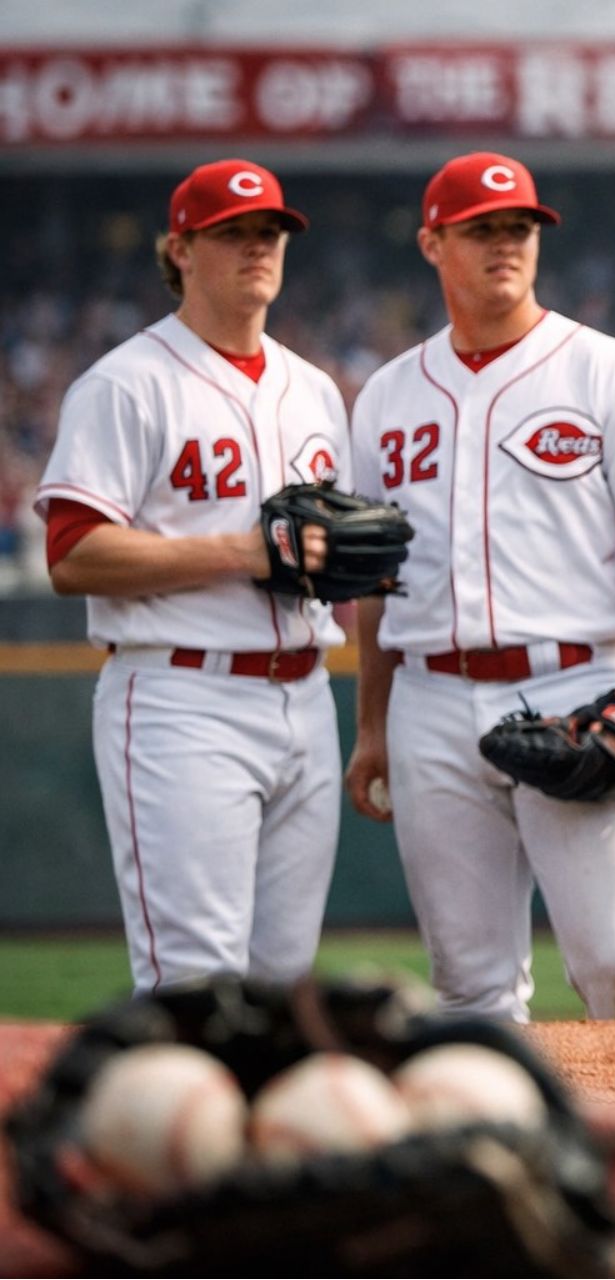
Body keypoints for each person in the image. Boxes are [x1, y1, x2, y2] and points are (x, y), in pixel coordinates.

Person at [343, 152, 615, 1022]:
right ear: (434, 243)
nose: (506, 243)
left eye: (520, 228)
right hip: (429, 696)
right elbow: (373, 578)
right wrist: (370, 724)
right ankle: (503, 1152)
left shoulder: (605, 369)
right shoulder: (388, 396)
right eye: (482, 229)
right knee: (470, 987)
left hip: (575, 683)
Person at [35, 159, 350, 991]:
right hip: (182, 697)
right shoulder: (124, 384)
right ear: (178, 249)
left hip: (307, 696)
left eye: (271, 233)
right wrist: (239, 552)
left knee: (282, 981)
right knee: (195, 981)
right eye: (233, 233)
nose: (258, 248)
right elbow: (71, 553)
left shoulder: (314, 390)